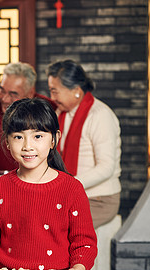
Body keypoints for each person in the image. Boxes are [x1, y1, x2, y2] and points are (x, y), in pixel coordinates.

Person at [0, 98, 97, 270]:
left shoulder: (72, 188)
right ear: (7, 141)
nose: (27, 146)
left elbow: (83, 242)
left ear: (54, 139)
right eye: (18, 137)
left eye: (38, 136)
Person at [46, 60, 121, 229]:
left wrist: (67, 187)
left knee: (53, 228)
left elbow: (106, 167)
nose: (52, 98)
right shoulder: (61, 114)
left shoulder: (100, 115)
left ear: (76, 91)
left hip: (99, 199)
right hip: (69, 197)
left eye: (55, 91)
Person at [0, 62, 56, 178]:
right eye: (2, 90)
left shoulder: (48, 107)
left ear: (30, 93)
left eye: (13, 94)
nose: (5, 99)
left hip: (37, 180)